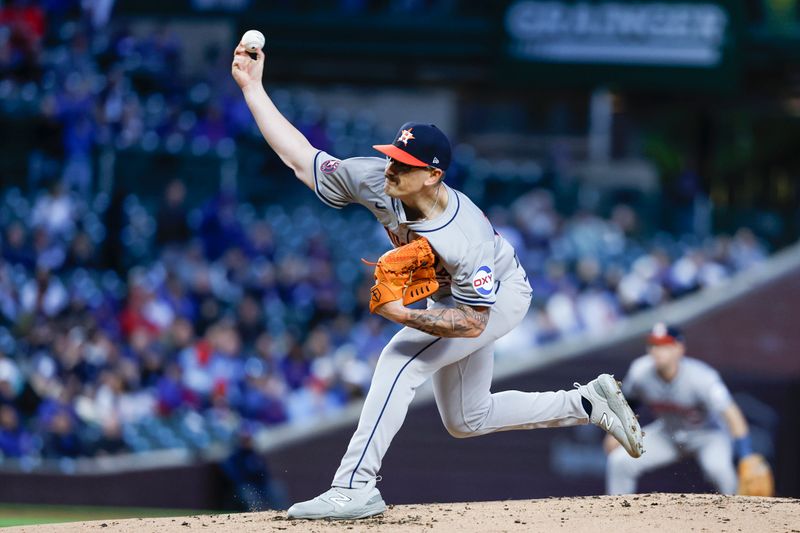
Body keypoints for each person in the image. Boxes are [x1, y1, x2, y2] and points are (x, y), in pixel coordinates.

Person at [231, 39, 644, 520]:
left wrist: (403, 315)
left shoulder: (462, 238)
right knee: (468, 418)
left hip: (496, 296)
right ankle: (587, 402)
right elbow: (302, 158)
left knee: (399, 361)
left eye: (403, 165)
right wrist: (253, 89)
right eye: (390, 156)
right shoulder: (377, 179)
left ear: (432, 175)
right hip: (456, 297)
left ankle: (355, 486)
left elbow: (472, 322)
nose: (390, 167)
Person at [604, 323, 756, 495]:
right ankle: (615, 515)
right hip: (669, 434)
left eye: (664, 345)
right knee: (619, 461)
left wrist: (746, 455)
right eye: (653, 345)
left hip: (707, 436)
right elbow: (628, 402)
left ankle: (741, 514)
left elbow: (732, 414)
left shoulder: (702, 377)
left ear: (679, 348)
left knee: (718, 470)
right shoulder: (640, 371)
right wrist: (615, 432)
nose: (657, 350)